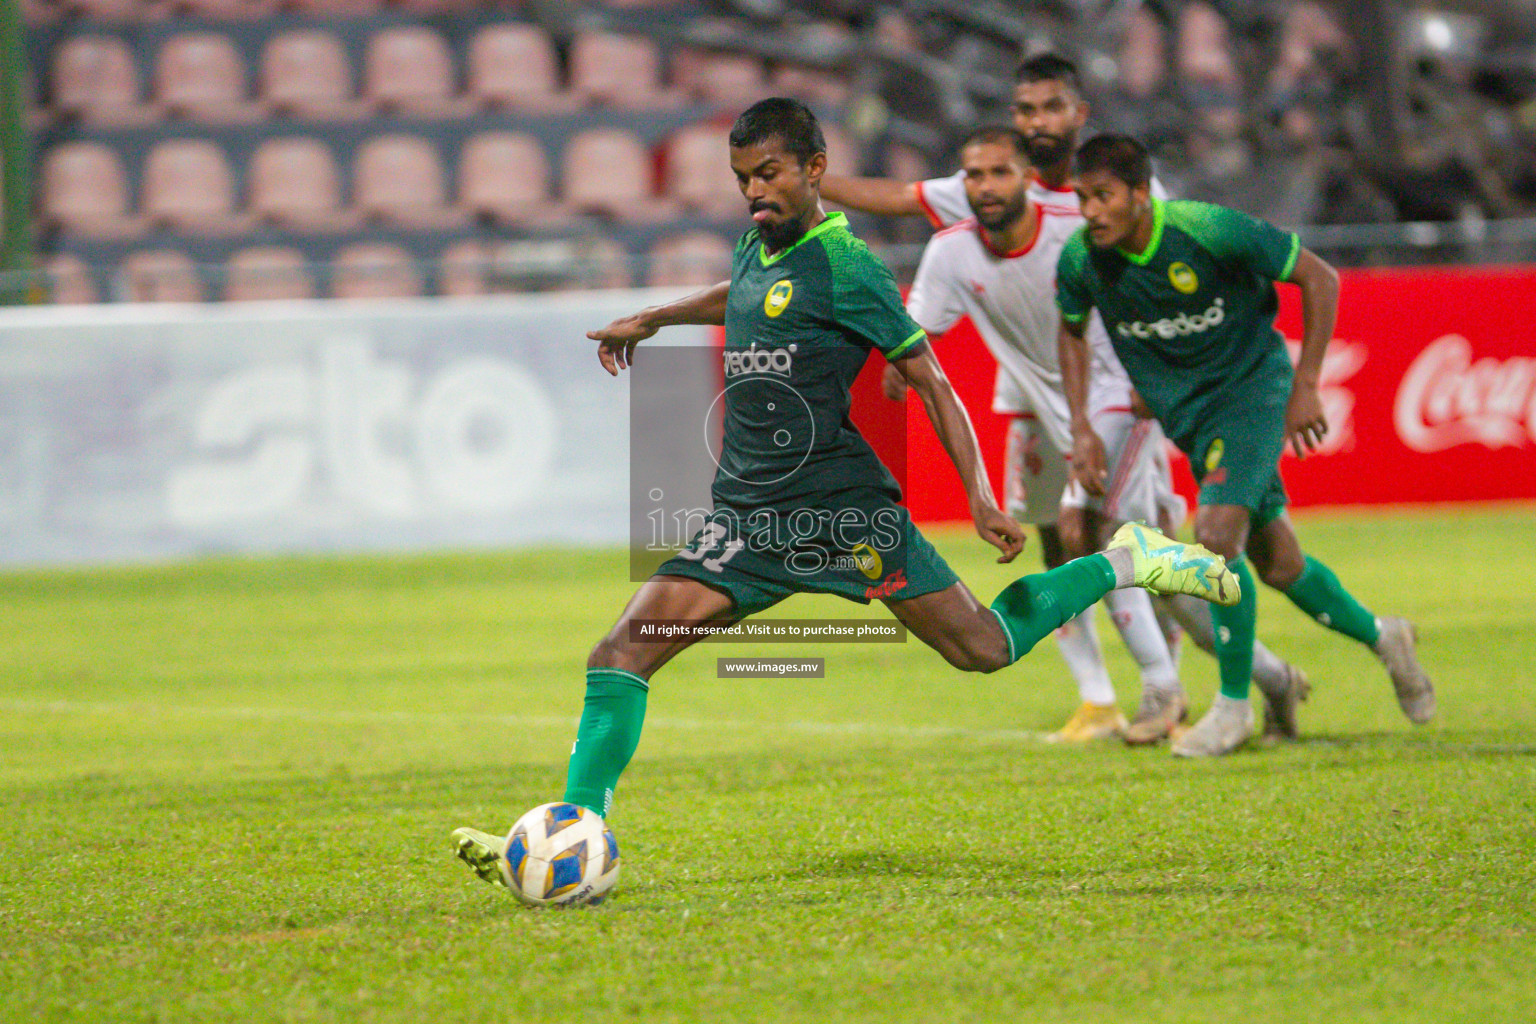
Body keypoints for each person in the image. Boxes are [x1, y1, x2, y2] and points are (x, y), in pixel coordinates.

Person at [450, 99, 1239, 884]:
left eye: (769, 175)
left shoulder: (848, 266)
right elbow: (743, 294)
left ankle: (1126, 560)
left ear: (815, 170)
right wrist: (655, 317)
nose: (755, 192)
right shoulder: (761, 245)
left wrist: (981, 496)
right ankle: (570, 832)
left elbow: (931, 381)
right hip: (747, 519)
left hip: (843, 514)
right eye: (742, 179)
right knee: (620, 655)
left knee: (983, 648)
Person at [823, 53, 1307, 744]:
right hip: (1039, 397)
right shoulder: (976, 202)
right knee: (1114, 553)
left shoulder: (1109, 201)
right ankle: (1259, 676)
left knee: (1109, 538)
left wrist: (1165, 373)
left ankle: (1169, 690)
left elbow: (1165, 272)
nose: (1036, 123)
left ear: (1076, 117)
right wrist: (815, 188)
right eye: (1026, 109)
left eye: (1049, 108)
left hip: (1121, 390)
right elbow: (901, 199)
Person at [1055, 132, 1435, 758]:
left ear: (1141, 193)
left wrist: (1307, 384)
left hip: (1253, 392)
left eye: (1104, 196)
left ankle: (1230, 707)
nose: (1091, 211)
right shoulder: (1080, 261)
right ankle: (1383, 636)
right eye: (1082, 197)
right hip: (1190, 416)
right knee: (1280, 564)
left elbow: (1320, 277)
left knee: (1215, 534)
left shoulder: (1207, 229)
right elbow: (1070, 334)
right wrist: (1081, 428)